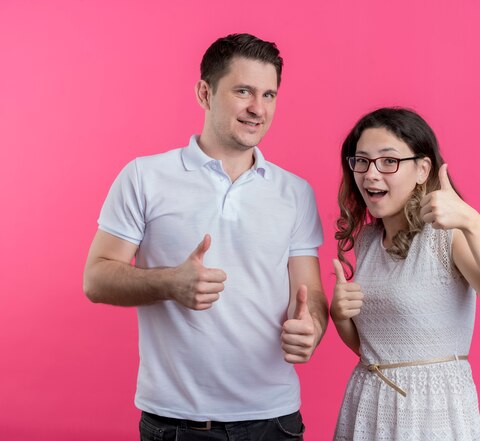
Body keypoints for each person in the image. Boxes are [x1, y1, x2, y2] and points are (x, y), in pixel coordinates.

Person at [83, 33, 328, 440]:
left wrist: (312, 328)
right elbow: (96, 279)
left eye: (269, 95)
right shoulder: (145, 177)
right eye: (244, 91)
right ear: (204, 92)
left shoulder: (295, 192)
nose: (257, 108)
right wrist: (169, 283)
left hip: (275, 421)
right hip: (178, 423)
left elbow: (311, 293)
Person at [331, 107, 480, 440]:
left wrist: (470, 219)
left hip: (432, 410)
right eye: (361, 161)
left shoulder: (445, 236)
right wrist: (339, 316)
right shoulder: (365, 241)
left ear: (422, 169)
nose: (370, 174)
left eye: (388, 161)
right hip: (368, 403)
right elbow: (375, 350)